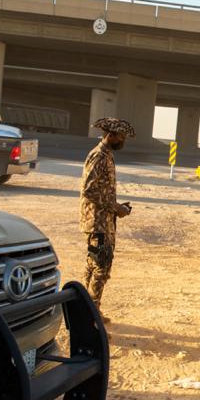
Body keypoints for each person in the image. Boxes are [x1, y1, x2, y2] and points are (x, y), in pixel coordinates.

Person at [80, 117, 135, 311]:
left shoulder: (107, 155)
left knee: (94, 265)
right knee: (100, 268)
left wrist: (118, 207)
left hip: (104, 222)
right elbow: (89, 190)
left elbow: (101, 191)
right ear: (111, 136)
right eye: (121, 137)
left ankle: (85, 309)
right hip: (97, 223)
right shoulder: (98, 156)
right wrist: (115, 207)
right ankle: (91, 315)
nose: (123, 141)